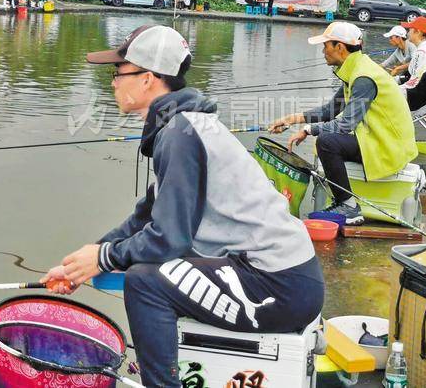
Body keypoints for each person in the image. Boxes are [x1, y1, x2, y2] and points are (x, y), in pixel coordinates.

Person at [42, 25, 324, 388]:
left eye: (118, 73)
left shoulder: (180, 133)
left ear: (147, 80)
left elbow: (168, 239)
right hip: (279, 276)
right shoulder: (181, 125)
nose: (112, 82)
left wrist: (105, 258)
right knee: (146, 266)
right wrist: (83, 262)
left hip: (278, 285)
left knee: (146, 282)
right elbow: (145, 218)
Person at [269, 22, 418, 225]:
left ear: (340, 47)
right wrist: (290, 120)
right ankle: (343, 202)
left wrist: (308, 130)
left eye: (326, 46)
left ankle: (348, 206)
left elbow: (345, 125)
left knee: (327, 142)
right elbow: (331, 110)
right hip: (378, 139)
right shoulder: (356, 69)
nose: (323, 52)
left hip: (388, 146)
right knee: (328, 138)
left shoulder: (363, 77)